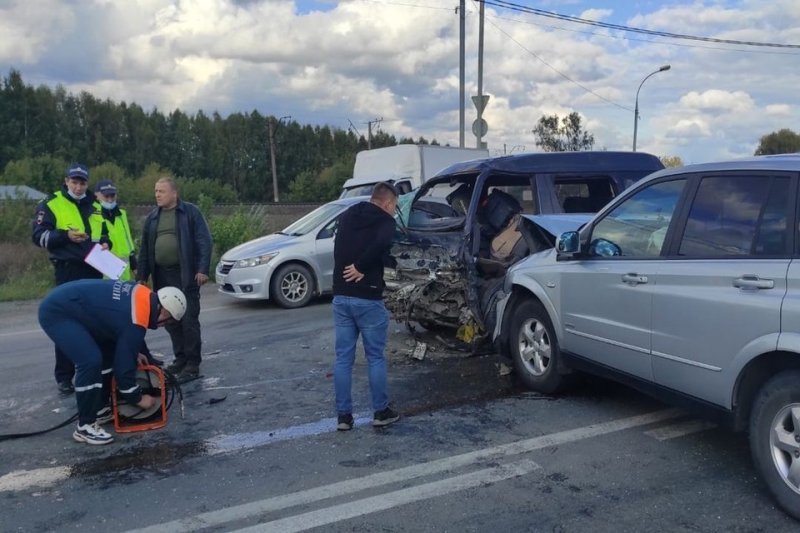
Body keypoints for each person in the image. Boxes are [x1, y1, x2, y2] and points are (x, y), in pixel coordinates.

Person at [38, 279, 187, 445]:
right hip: (58, 312)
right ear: (165, 312)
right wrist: (138, 399)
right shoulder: (137, 319)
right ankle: (85, 426)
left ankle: (100, 409)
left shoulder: (143, 295)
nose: (163, 326)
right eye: (169, 321)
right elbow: (124, 371)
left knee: (108, 355)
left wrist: (132, 350)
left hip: (70, 302)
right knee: (90, 361)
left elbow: (118, 320)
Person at [32, 162, 110, 395]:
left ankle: (99, 368)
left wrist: (107, 243)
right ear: (66, 181)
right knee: (67, 323)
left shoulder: (96, 205)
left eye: (82, 183)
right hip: (68, 270)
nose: (78, 187)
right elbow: (39, 236)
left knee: (95, 321)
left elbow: (104, 233)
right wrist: (65, 236)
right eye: (74, 182)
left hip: (94, 268)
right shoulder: (51, 203)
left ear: (87, 184)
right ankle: (65, 376)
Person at [332, 181, 401, 431]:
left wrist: (351, 267)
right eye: (395, 207)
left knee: (343, 359)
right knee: (375, 358)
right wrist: (361, 267)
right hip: (368, 299)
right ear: (387, 203)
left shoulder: (349, 214)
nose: (394, 212)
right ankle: (381, 412)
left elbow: (338, 246)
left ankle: (343, 417)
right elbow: (382, 243)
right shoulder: (385, 221)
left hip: (340, 296)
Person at [136, 177, 212, 383]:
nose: (157, 195)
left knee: (188, 320)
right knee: (171, 320)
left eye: (161, 191)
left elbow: (204, 240)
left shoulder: (190, 212)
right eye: (156, 191)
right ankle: (180, 358)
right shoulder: (152, 218)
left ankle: (192, 363)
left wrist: (203, 269)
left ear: (174, 194)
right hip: (162, 276)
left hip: (186, 274)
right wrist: (141, 277)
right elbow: (145, 249)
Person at [95, 179, 136, 281]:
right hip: (104, 276)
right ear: (97, 195)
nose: (110, 200)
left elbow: (128, 242)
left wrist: (134, 266)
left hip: (124, 275)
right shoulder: (94, 216)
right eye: (106, 196)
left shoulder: (122, 215)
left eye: (112, 196)